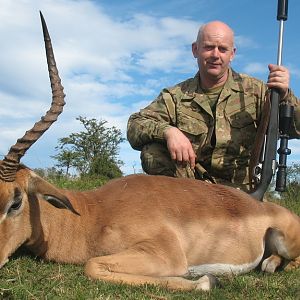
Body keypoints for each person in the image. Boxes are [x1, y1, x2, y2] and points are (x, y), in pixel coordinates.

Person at [127, 21, 300, 192]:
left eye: (223, 49)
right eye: (209, 47)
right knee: (152, 151)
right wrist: (168, 132)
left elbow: (296, 129)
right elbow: (135, 124)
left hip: (242, 194)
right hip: (192, 192)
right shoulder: (175, 96)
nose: (215, 55)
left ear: (232, 54)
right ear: (195, 50)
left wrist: (285, 96)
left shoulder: (258, 91)